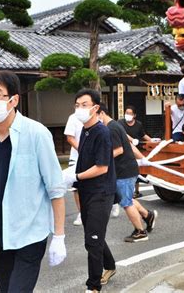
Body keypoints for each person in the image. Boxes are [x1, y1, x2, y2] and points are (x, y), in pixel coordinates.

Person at [0, 69, 66, 292]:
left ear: (13, 100)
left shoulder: (36, 133)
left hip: (30, 234)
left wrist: (59, 236)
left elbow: (55, 188)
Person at [64, 89, 117, 292]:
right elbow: (84, 161)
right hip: (86, 190)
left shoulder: (102, 132)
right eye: (77, 105)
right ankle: (110, 266)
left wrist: (76, 177)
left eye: (84, 105)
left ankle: (93, 286)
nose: (79, 108)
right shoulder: (84, 131)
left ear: (95, 108)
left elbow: (102, 167)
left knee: (92, 241)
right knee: (93, 234)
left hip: (101, 192)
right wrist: (72, 176)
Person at [98, 103, 158, 247]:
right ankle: (147, 215)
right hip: (126, 169)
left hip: (124, 170)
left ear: (101, 113)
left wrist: (101, 159)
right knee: (126, 198)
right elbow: (129, 144)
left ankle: (140, 232)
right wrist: (141, 158)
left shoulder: (112, 128)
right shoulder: (116, 125)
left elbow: (118, 150)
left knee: (126, 203)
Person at [118, 105, 152, 198]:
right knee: (127, 170)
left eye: (130, 113)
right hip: (124, 149)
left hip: (136, 150)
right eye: (126, 113)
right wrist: (132, 140)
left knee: (137, 171)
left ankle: (136, 191)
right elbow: (123, 134)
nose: (127, 115)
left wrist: (152, 141)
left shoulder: (138, 124)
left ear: (134, 115)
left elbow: (143, 135)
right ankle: (126, 191)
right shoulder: (120, 123)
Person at [64, 112, 85, 225]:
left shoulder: (97, 117)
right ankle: (81, 213)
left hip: (93, 158)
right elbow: (70, 138)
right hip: (76, 158)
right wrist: (82, 150)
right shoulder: (73, 118)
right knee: (76, 187)